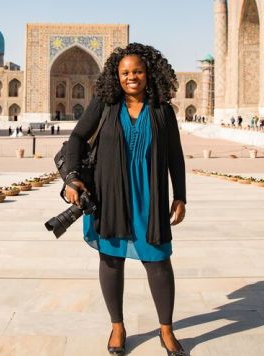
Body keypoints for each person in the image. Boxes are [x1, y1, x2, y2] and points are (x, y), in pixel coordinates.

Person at [63, 43, 187, 355]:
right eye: (125, 73)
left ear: (149, 74)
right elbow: (77, 137)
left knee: (158, 261)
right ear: (116, 76)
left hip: (149, 194)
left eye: (138, 71)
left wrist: (180, 195)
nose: (132, 77)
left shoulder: (162, 110)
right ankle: (117, 326)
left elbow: (175, 155)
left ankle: (166, 329)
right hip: (110, 194)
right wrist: (72, 177)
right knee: (112, 258)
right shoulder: (105, 105)